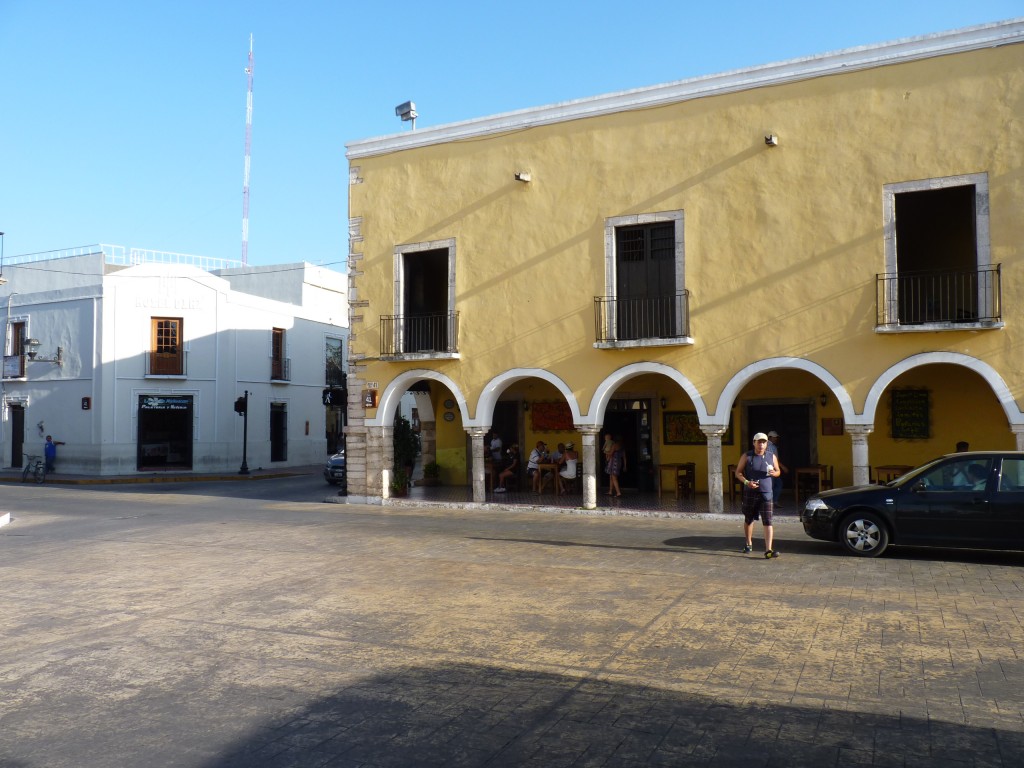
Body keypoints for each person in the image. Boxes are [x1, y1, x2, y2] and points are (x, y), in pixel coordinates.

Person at [734, 432, 780, 558]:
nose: (761, 444)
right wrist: (747, 482)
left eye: (764, 442)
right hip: (750, 492)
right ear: (754, 442)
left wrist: (774, 473)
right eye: (759, 442)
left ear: (767, 444)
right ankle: (748, 544)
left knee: (768, 521)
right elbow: (738, 473)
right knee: (749, 519)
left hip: (766, 493)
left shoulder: (771, 456)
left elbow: (778, 471)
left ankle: (768, 550)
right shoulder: (747, 456)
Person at [766, 430, 789, 507]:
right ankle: (770, 502)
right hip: (771, 470)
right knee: (772, 486)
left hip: (773, 469)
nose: (776, 439)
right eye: (774, 437)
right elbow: (773, 458)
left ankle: (773, 501)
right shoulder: (770, 446)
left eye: (776, 437)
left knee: (777, 484)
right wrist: (783, 467)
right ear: (770, 437)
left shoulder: (771, 446)